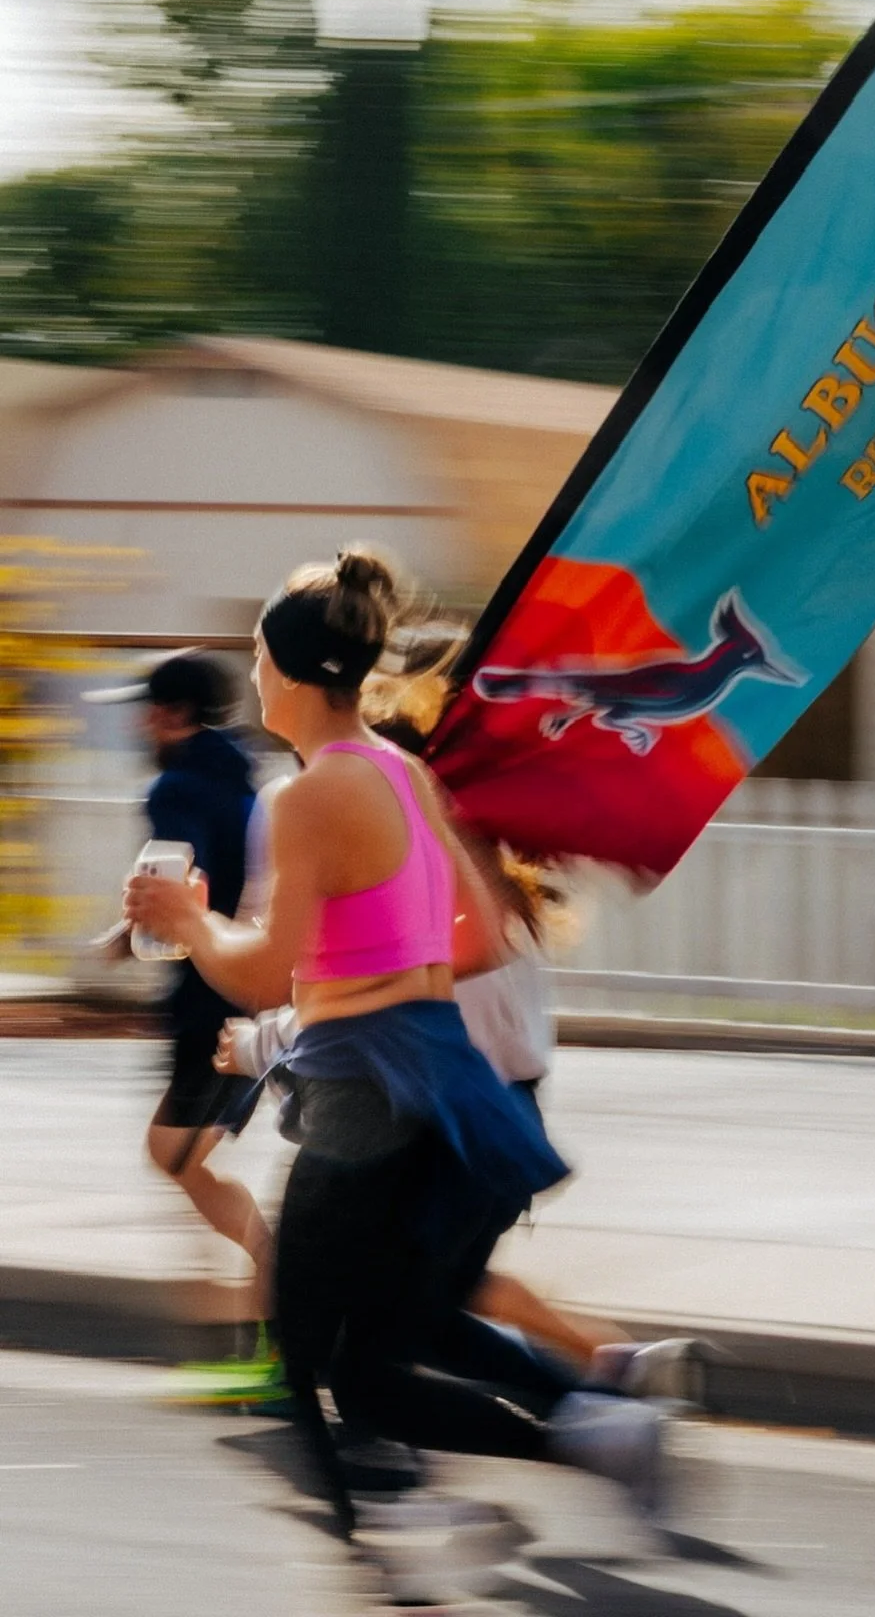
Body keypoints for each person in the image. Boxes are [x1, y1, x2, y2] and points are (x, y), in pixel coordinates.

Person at [123, 548, 668, 1548]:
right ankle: (544, 1459)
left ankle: (460, 1518)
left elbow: (259, 973)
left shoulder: (308, 794)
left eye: (257, 652)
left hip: (359, 1096)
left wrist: (189, 923)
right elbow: (468, 938)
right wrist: (374, 982)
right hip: (431, 1081)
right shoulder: (404, 773)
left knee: (307, 1347)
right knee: (374, 1355)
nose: (251, 670)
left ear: (286, 670)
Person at [88, 650, 270, 1311]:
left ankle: (274, 1274)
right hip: (249, 987)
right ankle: (262, 1289)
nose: (140, 726)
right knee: (178, 1154)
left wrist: (143, 938)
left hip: (206, 1003)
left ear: (173, 713)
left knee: (172, 1154)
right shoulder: (245, 780)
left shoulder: (176, 787)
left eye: (146, 711)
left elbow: (181, 877)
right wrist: (126, 935)